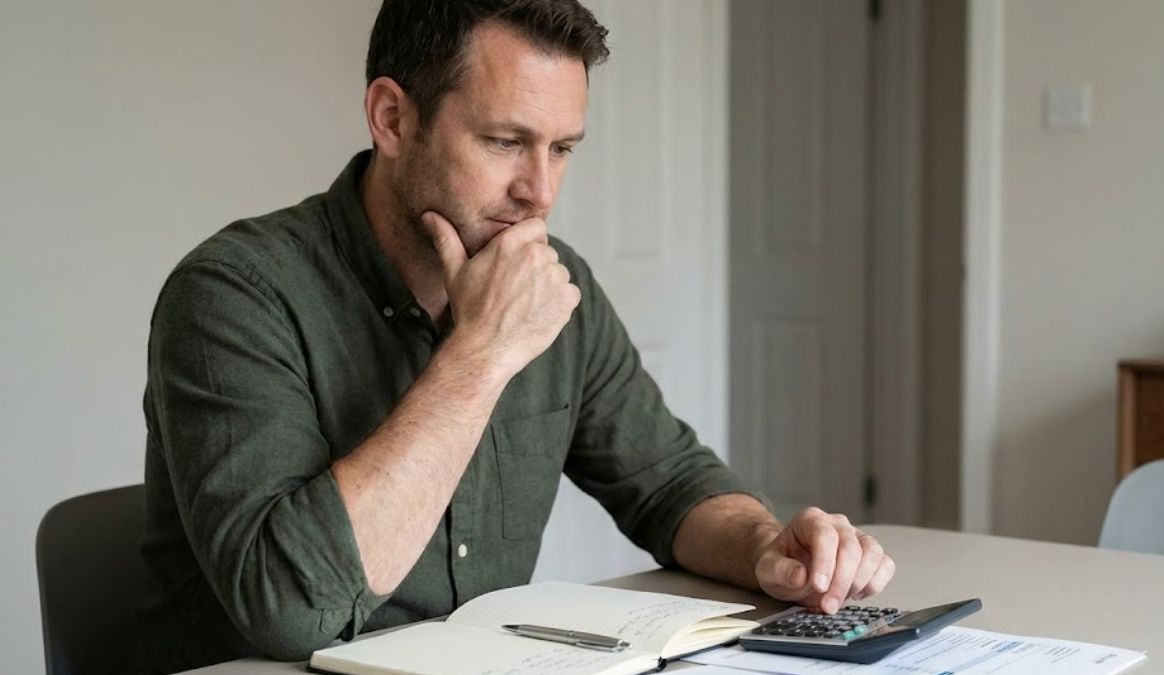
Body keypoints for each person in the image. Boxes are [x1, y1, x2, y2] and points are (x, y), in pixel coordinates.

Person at [133, 1, 894, 672]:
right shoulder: (234, 294)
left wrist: (763, 544)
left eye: (563, 148)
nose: (541, 191)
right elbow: (289, 613)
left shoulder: (557, 287)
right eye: (505, 141)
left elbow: (667, 480)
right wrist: (483, 352)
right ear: (392, 118)